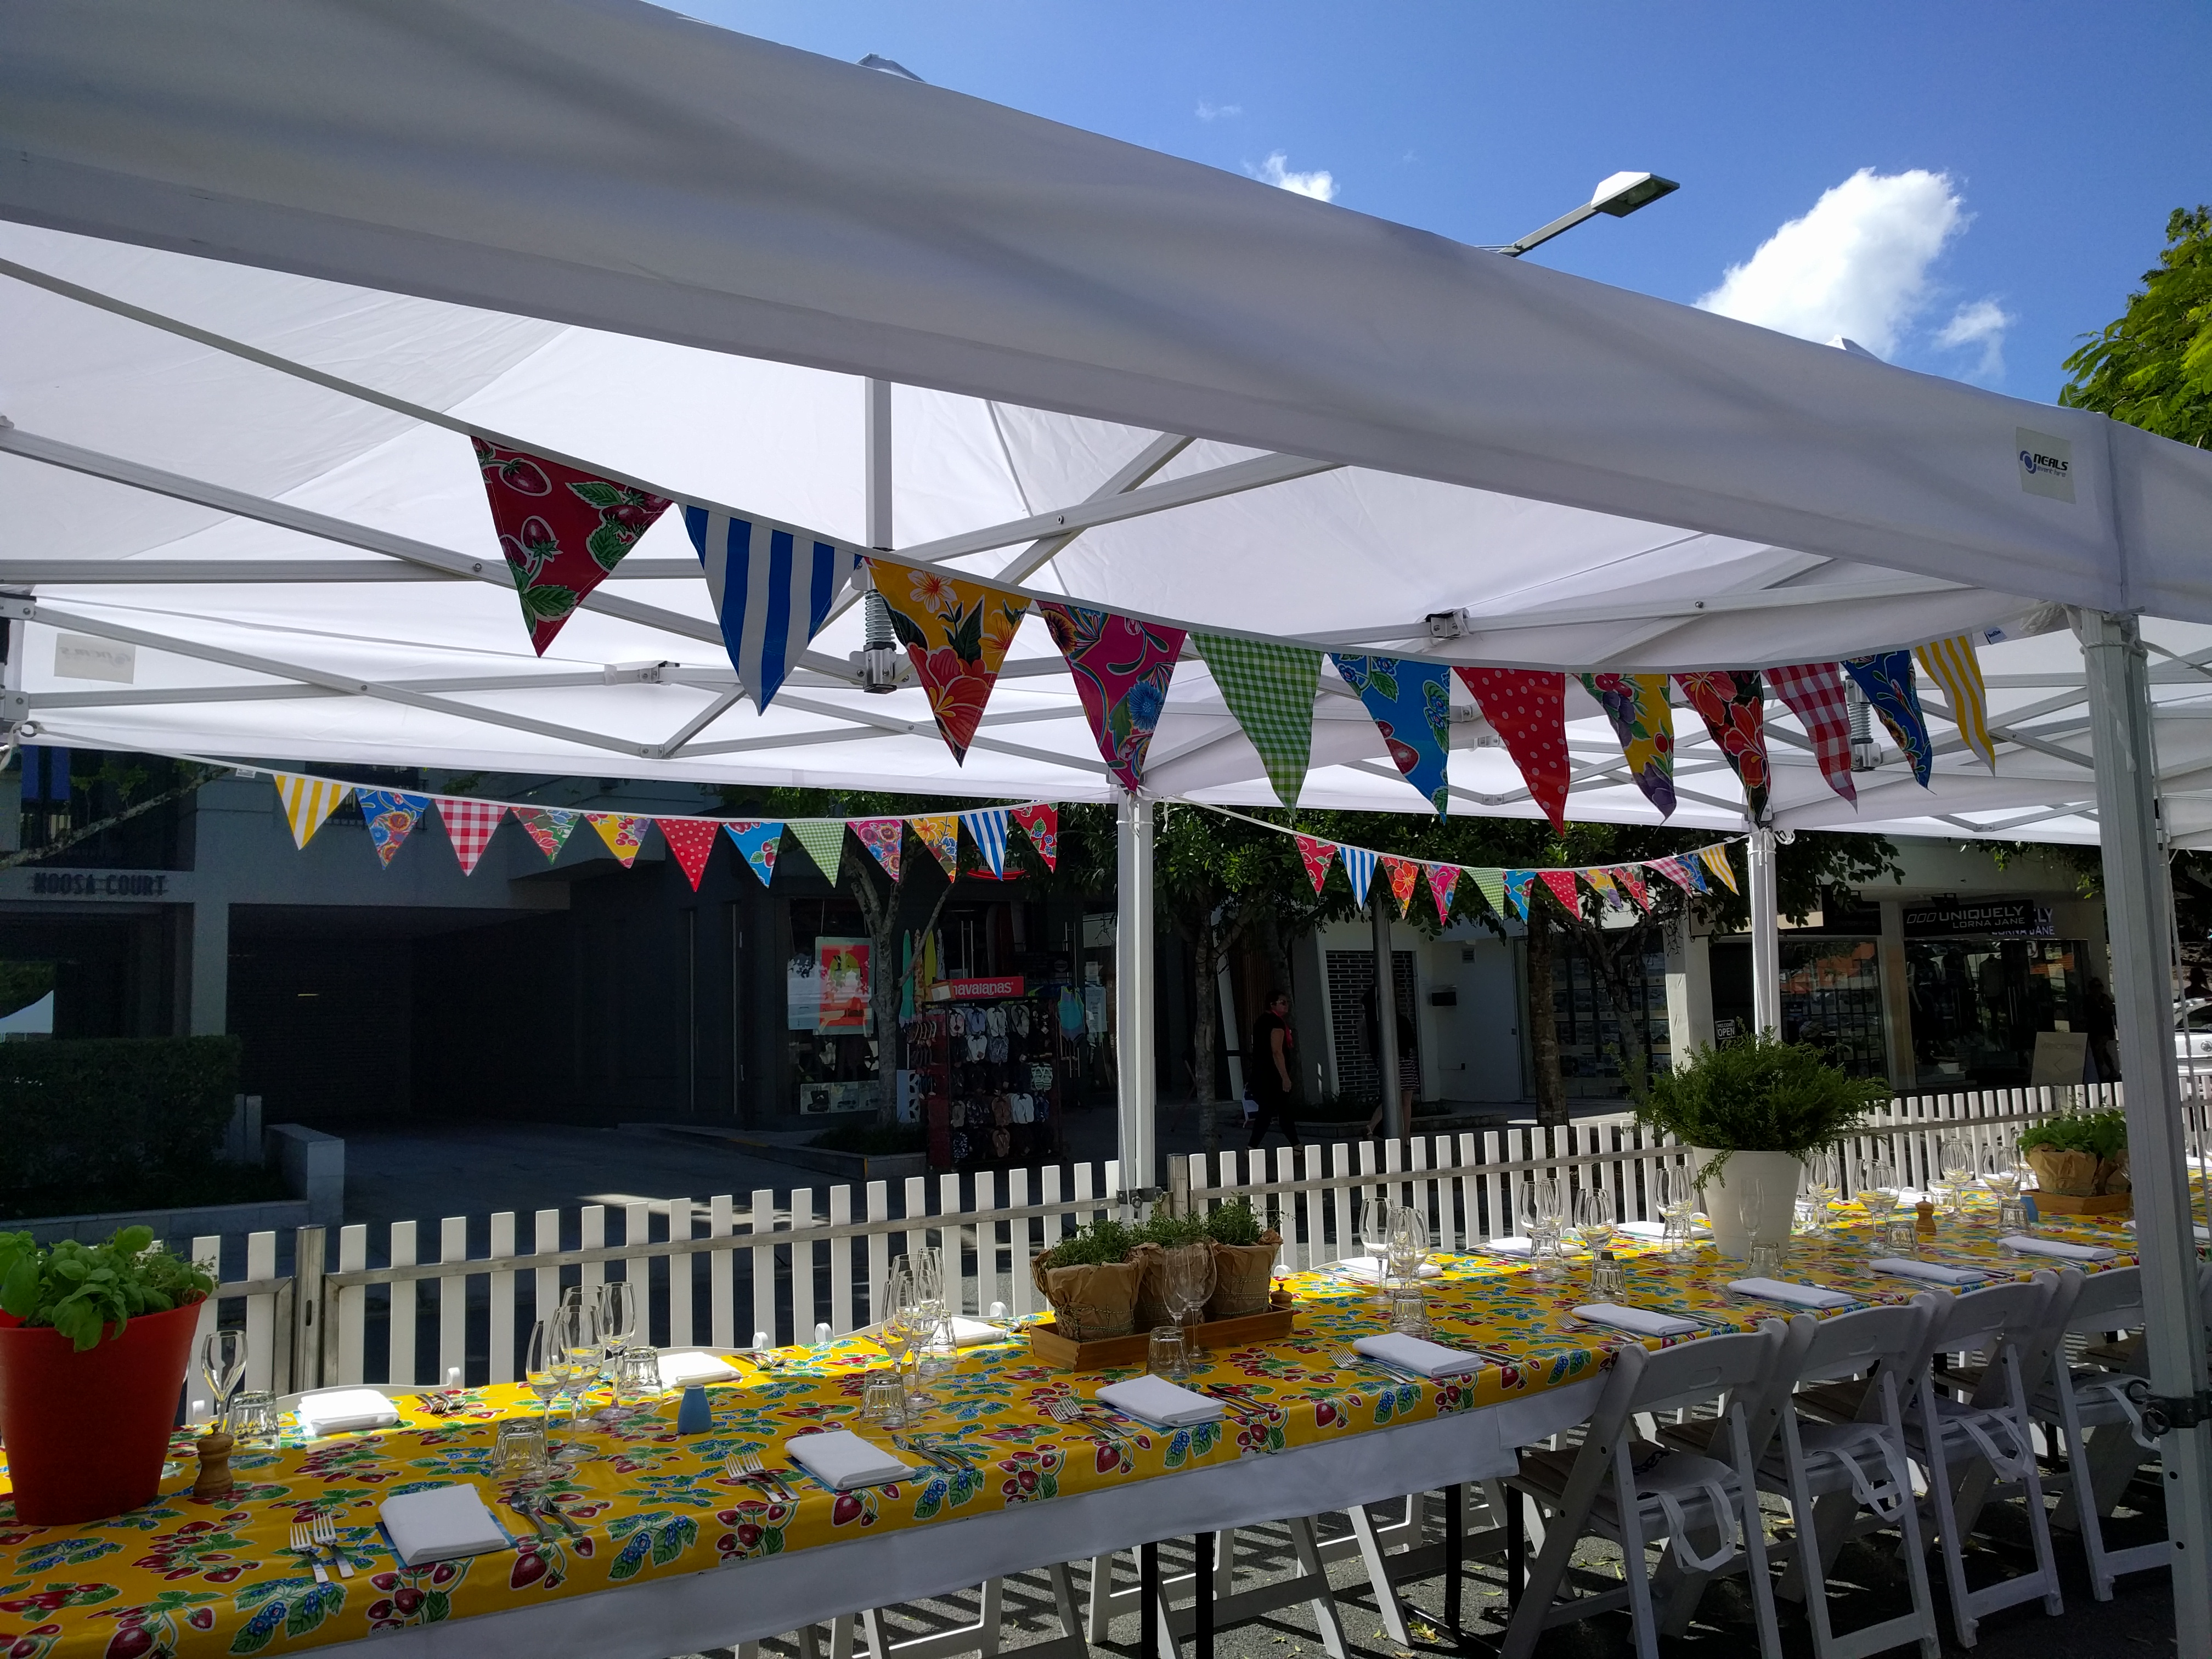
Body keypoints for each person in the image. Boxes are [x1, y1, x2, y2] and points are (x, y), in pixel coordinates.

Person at [1362, 981, 1419, 1138]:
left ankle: (1371, 1126)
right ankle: (1406, 1136)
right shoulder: (1401, 1021)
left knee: (1390, 1098)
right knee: (1405, 1101)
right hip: (1404, 1061)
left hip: (1385, 1061)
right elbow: (1411, 1043)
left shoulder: (1376, 1022)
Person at [1247, 990, 1302, 1149]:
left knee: (1278, 1111)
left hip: (1262, 1074)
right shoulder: (1276, 1023)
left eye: (1287, 1002)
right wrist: (1285, 1077)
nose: (1286, 1006)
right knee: (1271, 1112)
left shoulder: (1261, 1021)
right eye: (1283, 1003)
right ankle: (1252, 1147)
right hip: (1273, 1077)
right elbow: (1277, 1051)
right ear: (1272, 1005)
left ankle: (1296, 1145)